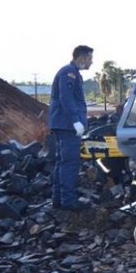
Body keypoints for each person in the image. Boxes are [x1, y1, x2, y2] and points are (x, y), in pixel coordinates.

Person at [49, 45, 94, 211]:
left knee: (62, 163)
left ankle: (58, 200)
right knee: (70, 164)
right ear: (81, 58)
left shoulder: (71, 73)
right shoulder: (69, 73)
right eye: (90, 58)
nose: (91, 61)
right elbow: (66, 98)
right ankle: (68, 202)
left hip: (63, 124)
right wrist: (76, 121)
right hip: (68, 126)